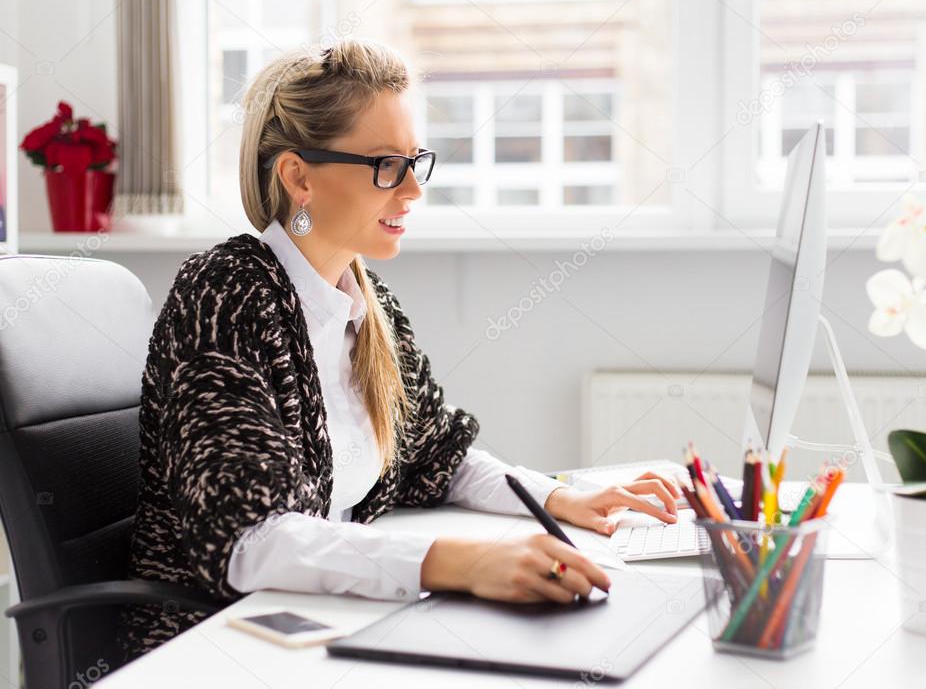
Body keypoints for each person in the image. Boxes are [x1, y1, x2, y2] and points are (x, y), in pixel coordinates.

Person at [120, 37, 680, 661]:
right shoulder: (226, 294)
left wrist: (559, 498)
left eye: (417, 161)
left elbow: (436, 451)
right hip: (212, 645)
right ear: (298, 175)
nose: (412, 191)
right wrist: (458, 562)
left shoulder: (366, 302)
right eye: (387, 165)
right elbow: (248, 542)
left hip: (315, 619)